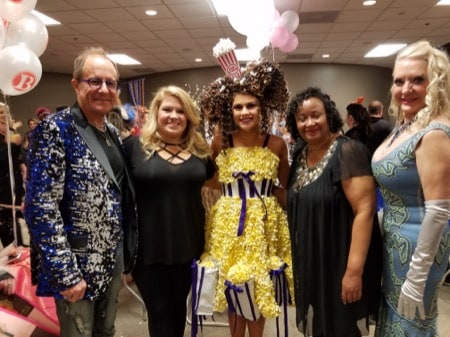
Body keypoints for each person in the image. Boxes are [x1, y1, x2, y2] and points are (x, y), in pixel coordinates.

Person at [24, 46, 138, 337]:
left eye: (110, 83)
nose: (103, 89)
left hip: (110, 257)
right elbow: (41, 208)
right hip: (76, 264)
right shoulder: (55, 130)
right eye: (94, 81)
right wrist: (66, 273)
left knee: (106, 331)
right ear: (76, 84)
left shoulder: (111, 133)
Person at [198, 59, 294, 337]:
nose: (244, 112)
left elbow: (285, 186)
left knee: (257, 284)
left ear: (261, 108)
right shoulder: (220, 141)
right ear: (230, 110)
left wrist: (266, 196)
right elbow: (210, 177)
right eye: (238, 107)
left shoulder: (276, 144)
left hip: (263, 223)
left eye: (250, 105)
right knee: (233, 284)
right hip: (228, 224)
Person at [285, 87, 382, 337]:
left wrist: (353, 272)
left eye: (315, 115)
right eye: (302, 118)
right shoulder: (300, 155)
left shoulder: (348, 151)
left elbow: (365, 211)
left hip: (340, 260)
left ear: (329, 115)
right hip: (312, 260)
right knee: (320, 326)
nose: (309, 123)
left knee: (342, 327)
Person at [371, 40, 450, 336]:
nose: (406, 89)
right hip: (396, 243)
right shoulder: (409, 125)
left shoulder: (434, 133)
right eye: (399, 81)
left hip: (419, 249)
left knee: (411, 325)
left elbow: (440, 211)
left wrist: (417, 278)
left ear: (436, 84)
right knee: (396, 323)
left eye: (418, 80)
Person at [123, 85, 214, 337]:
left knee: (178, 312)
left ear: (188, 117)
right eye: (167, 110)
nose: (174, 116)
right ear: (156, 113)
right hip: (149, 249)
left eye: (180, 111)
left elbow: (216, 185)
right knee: (160, 312)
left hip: (189, 245)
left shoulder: (201, 151)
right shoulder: (134, 147)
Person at [0, 104, 25, 247]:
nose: (4, 125)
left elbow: (16, 160)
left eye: (5, 121)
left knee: (15, 225)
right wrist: (10, 145)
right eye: (1, 122)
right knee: (7, 228)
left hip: (14, 189)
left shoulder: (10, 136)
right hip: (2, 193)